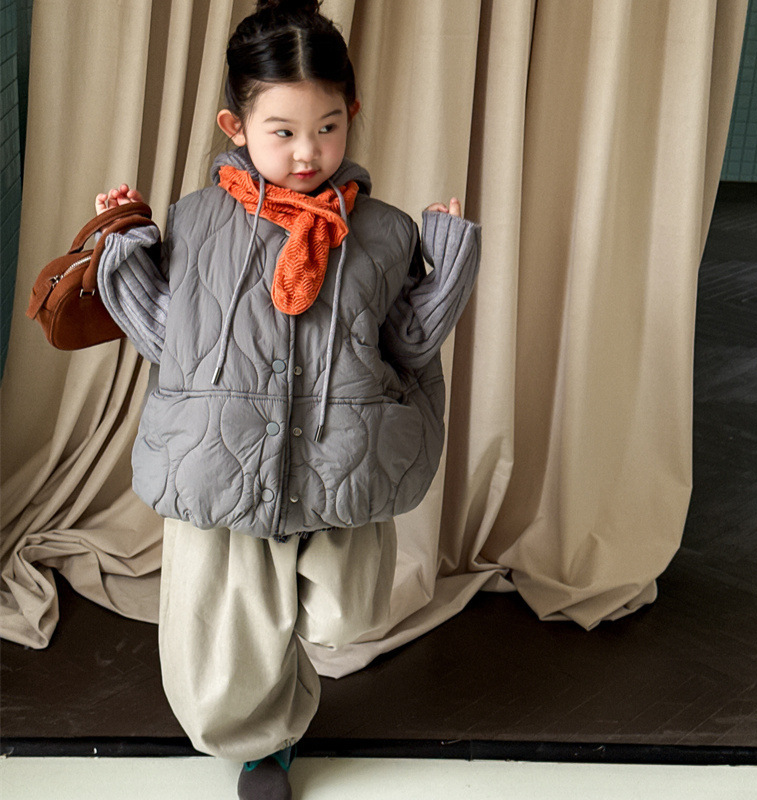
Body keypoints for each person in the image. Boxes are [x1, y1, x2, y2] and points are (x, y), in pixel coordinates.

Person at [94, 1, 480, 797]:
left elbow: (407, 345)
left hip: (336, 460)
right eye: (283, 131)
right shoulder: (195, 222)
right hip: (224, 460)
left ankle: (284, 678)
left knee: (348, 616)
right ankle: (268, 744)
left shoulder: (385, 233)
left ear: (352, 114)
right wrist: (123, 253)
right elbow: (173, 340)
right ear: (235, 126)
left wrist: (449, 267)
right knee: (224, 656)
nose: (309, 152)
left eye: (328, 128)